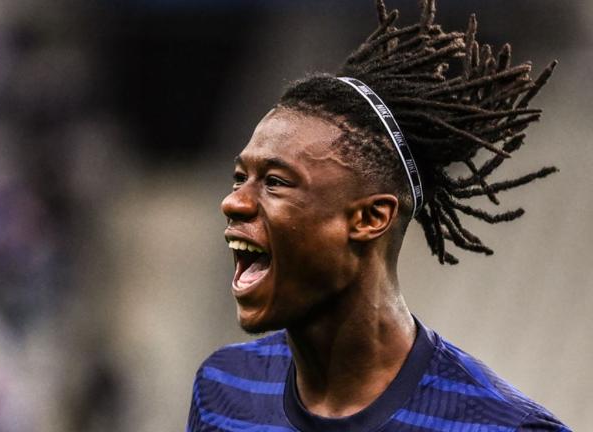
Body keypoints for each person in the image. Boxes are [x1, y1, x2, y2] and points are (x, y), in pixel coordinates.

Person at [186, 1, 570, 431]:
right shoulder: (223, 389)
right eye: (240, 177)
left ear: (370, 218)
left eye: (275, 182)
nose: (233, 202)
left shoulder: (500, 425)